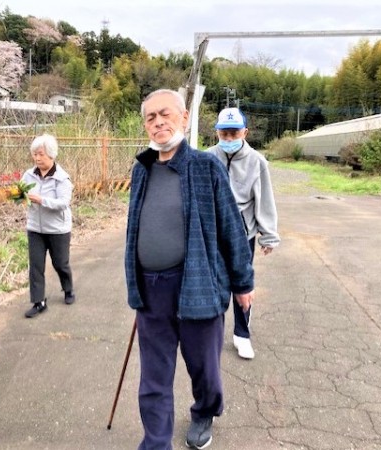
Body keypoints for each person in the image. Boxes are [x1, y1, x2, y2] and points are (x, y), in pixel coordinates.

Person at [124, 89, 255, 450]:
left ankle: (205, 411)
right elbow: (136, 226)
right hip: (150, 291)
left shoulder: (205, 166)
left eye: (165, 114)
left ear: (184, 117)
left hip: (197, 285)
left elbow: (231, 227)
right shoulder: (142, 169)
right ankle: (156, 442)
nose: (158, 122)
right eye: (150, 117)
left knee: (204, 368)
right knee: (153, 378)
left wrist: (243, 283)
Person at [206, 107, 280, 359]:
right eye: (223, 133)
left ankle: (242, 335)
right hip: (213, 235)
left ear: (245, 132)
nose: (228, 139)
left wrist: (268, 236)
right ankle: (213, 337)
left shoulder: (257, 162)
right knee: (214, 285)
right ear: (217, 132)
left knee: (242, 283)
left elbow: (265, 200)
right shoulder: (206, 158)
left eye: (234, 133)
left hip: (242, 235)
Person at [21, 134, 75, 318]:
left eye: (41, 154)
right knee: (36, 266)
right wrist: (18, 195)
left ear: (51, 155)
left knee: (60, 263)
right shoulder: (29, 175)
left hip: (58, 229)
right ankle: (39, 302)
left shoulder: (62, 178)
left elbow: (63, 203)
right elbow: (22, 192)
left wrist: (41, 200)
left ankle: (68, 288)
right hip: (35, 227)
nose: (37, 158)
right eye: (35, 154)